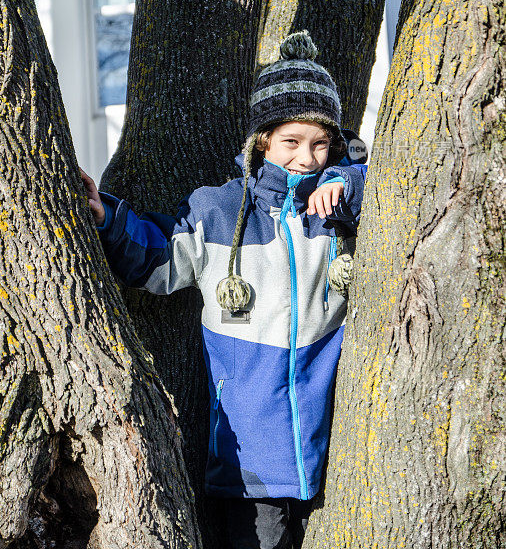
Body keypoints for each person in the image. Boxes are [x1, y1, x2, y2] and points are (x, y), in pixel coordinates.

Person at [81, 31, 365, 549]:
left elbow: (391, 185)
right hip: (250, 460)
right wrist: (106, 219)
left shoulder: (340, 214)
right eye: (291, 142)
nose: (307, 158)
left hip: (337, 445)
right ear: (262, 141)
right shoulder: (218, 212)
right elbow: (160, 259)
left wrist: (347, 181)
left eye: (321, 144)